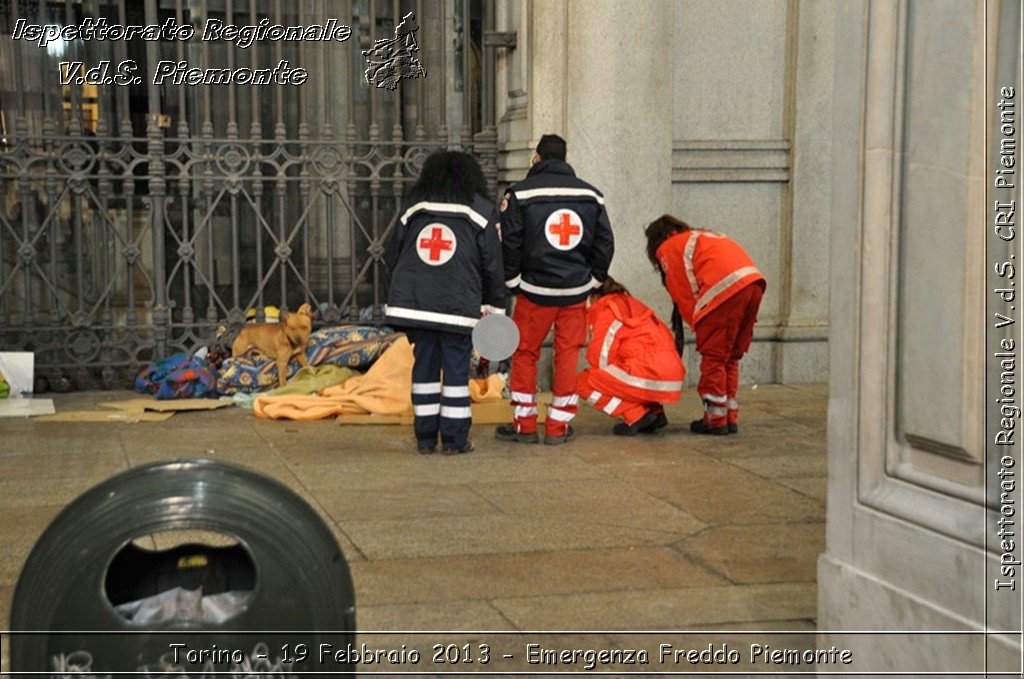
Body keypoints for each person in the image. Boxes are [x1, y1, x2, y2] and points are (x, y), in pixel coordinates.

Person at [496, 134, 615, 446]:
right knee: (567, 355)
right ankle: (558, 427)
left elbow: (510, 241)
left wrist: (513, 282)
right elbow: (605, 243)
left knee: (524, 353)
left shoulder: (520, 194)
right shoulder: (592, 196)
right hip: (575, 292)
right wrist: (594, 280)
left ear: (537, 158)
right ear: (564, 159)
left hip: (534, 291)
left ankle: (524, 424)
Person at [385, 151, 506, 454]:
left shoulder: (414, 207)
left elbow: (392, 252)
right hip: (458, 307)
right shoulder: (481, 210)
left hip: (417, 304)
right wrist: (495, 305)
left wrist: (401, 290)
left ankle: (425, 438)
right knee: (455, 371)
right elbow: (493, 263)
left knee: (423, 367)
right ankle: (454, 440)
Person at [645, 214, 766, 435]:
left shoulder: (669, 248)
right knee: (731, 356)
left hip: (723, 291)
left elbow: (683, 293)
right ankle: (730, 415)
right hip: (753, 283)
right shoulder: (703, 236)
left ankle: (715, 420)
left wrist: (700, 327)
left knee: (714, 356)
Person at [577, 277, 685, 436]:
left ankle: (636, 415)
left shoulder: (605, 309)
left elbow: (601, 359)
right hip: (671, 374)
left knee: (582, 382)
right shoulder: (628, 302)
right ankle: (655, 412)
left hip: (650, 372)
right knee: (627, 370)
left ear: (593, 295)